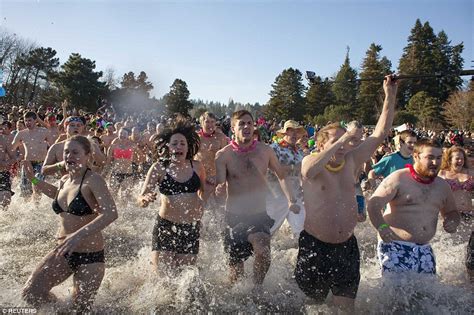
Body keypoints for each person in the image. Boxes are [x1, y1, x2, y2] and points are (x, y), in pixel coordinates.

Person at [295, 75, 398, 311]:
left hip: (346, 246)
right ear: (320, 145)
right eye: (337, 140)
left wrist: (389, 95)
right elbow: (309, 172)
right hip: (315, 246)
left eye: (346, 140)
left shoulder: (351, 161)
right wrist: (345, 136)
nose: (344, 145)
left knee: (345, 308)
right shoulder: (310, 160)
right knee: (315, 307)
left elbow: (380, 133)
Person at [21, 135, 118, 313]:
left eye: (75, 152)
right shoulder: (65, 180)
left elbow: (111, 213)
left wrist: (78, 234)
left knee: (80, 309)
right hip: (63, 251)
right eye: (66, 152)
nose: (69, 156)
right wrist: (33, 179)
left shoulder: (94, 180)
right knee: (31, 293)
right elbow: (59, 196)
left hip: (90, 257)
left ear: (87, 155)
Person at [214, 110, 300, 289]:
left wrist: (291, 199)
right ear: (233, 128)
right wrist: (219, 189)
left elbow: (281, 175)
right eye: (241, 124)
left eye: (249, 123)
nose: (246, 126)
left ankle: (257, 288)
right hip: (233, 217)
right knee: (235, 277)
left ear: (254, 127)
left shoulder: (265, 151)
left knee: (263, 252)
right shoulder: (223, 155)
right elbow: (220, 185)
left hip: (258, 215)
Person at [367, 139, 460, 277]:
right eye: (430, 157)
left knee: (427, 295)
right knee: (397, 294)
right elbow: (373, 205)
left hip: (424, 249)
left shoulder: (442, 186)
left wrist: (452, 221)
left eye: (439, 158)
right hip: (394, 245)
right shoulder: (398, 178)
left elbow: (452, 212)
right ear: (416, 156)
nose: (435, 163)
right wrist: (381, 227)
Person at [138, 118, 207, 272]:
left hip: (190, 227)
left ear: (188, 147)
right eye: (174, 143)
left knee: (184, 278)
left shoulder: (197, 167)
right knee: (162, 277)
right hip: (166, 226)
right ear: (168, 147)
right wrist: (145, 199)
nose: (178, 147)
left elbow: (203, 192)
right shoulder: (159, 168)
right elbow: (141, 197)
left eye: (182, 143)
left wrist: (201, 207)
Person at [438, 146, 473, 282]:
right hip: (449, 215)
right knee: (450, 246)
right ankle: (449, 277)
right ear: (450, 159)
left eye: (462, 158)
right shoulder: (442, 174)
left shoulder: (470, 173)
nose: (460, 161)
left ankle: (467, 277)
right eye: (457, 158)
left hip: (469, 215)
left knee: (467, 249)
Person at [267, 119, 307, 235]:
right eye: (291, 131)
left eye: (297, 132)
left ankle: (297, 252)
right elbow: (273, 169)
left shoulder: (299, 152)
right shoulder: (274, 148)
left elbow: (301, 174)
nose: (295, 134)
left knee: (301, 231)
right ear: (285, 133)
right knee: (269, 231)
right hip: (276, 195)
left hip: (296, 195)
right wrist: (294, 167)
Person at [11, 111, 54, 199]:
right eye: (25, 120)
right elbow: (11, 148)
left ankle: (37, 207)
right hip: (27, 163)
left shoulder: (44, 131)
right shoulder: (21, 133)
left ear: (35, 121)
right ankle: (28, 211)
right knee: (26, 191)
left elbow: (53, 146)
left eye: (29, 120)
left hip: (40, 164)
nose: (27, 123)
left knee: (37, 185)